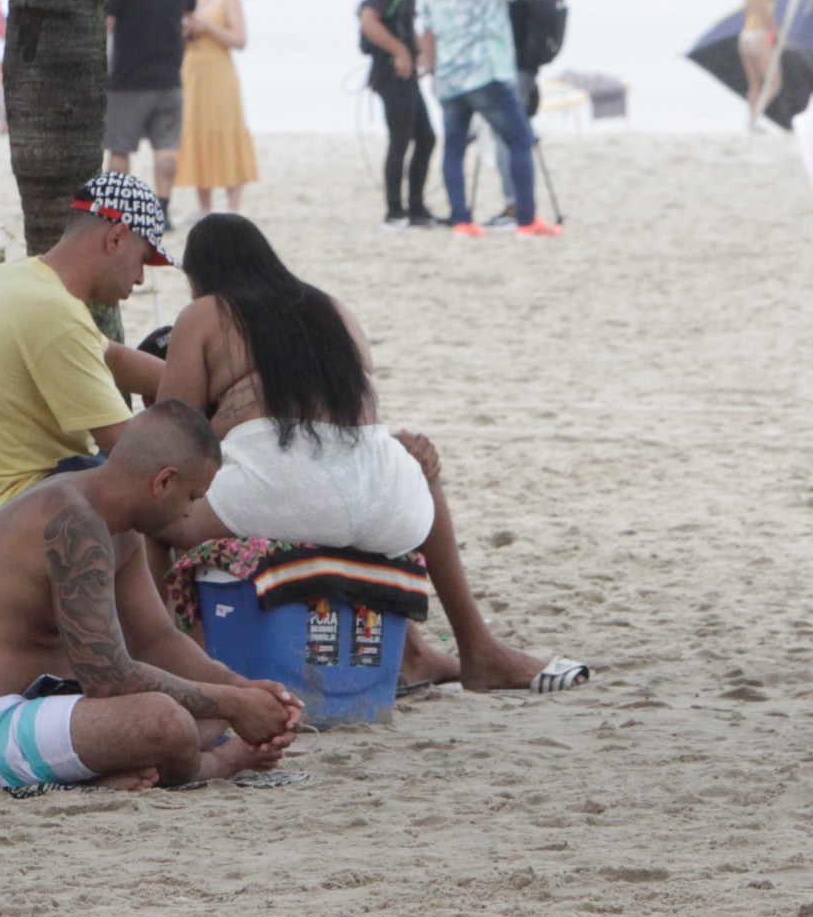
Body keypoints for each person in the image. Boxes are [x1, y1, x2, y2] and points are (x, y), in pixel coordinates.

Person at [155, 212, 590, 693]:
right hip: (385, 500)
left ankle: (176, 660)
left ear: (198, 275)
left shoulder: (205, 314)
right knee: (419, 468)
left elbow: (174, 433)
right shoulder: (331, 308)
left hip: (276, 494)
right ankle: (474, 648)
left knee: (153, 508)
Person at [0, 402, 302, 791]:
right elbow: (109, 679)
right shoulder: (74, 523)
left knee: (206, 711)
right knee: (165, 721)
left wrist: (242, 688)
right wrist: (234, 705)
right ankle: (213, 764)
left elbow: (156, 640)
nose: (189, 514)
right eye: (192, 497)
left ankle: (107, 775)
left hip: (42, 712)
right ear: (163, 482)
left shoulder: (120, 532)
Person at [0, 172, 172, 553]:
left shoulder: (15, 278)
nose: (141, 278)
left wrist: (191, 385)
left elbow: (110, 355)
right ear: (116, 239)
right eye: (142, 259)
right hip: (4, 524)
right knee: (156, 498)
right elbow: (131, 454)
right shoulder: (54, 313)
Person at [416, 0, 561, 238]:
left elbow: (427, 30)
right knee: (520, 139)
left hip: (450, 74)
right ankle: (526, 220)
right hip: (487, 72)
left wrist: (432, 70)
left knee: (453, 149)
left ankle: (462, 221)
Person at [106, 0, 196, 221]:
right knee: (167, 147)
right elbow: (188, 15)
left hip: (128, 78)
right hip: (170, 75)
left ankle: (118, 210)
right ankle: (164, 211)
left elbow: (107, 24)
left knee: (120, 148)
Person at [360, 0, 448, 229]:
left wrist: (423, 55)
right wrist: (399, 51)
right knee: (400, 139)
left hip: (407, 74)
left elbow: (408, 29)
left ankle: (417, 208)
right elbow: (369, 22)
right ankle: (394, 212)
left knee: (426, 138)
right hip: (389, 73)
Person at [176, 0, 258, 214]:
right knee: (197, 131)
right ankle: (204, 206)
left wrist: (208, 26)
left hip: (220, 72)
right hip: (192, 71)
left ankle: (233, 205)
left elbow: (240, 40)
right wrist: (187, 29)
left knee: (226, 130)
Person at [739, 0, 780, 132]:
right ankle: (755, 118)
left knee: (754, 84)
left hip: (746, 35)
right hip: (760, 35)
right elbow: (764, 13)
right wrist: (775, 33)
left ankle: (752, 120)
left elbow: (748, 14)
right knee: (774, 81)